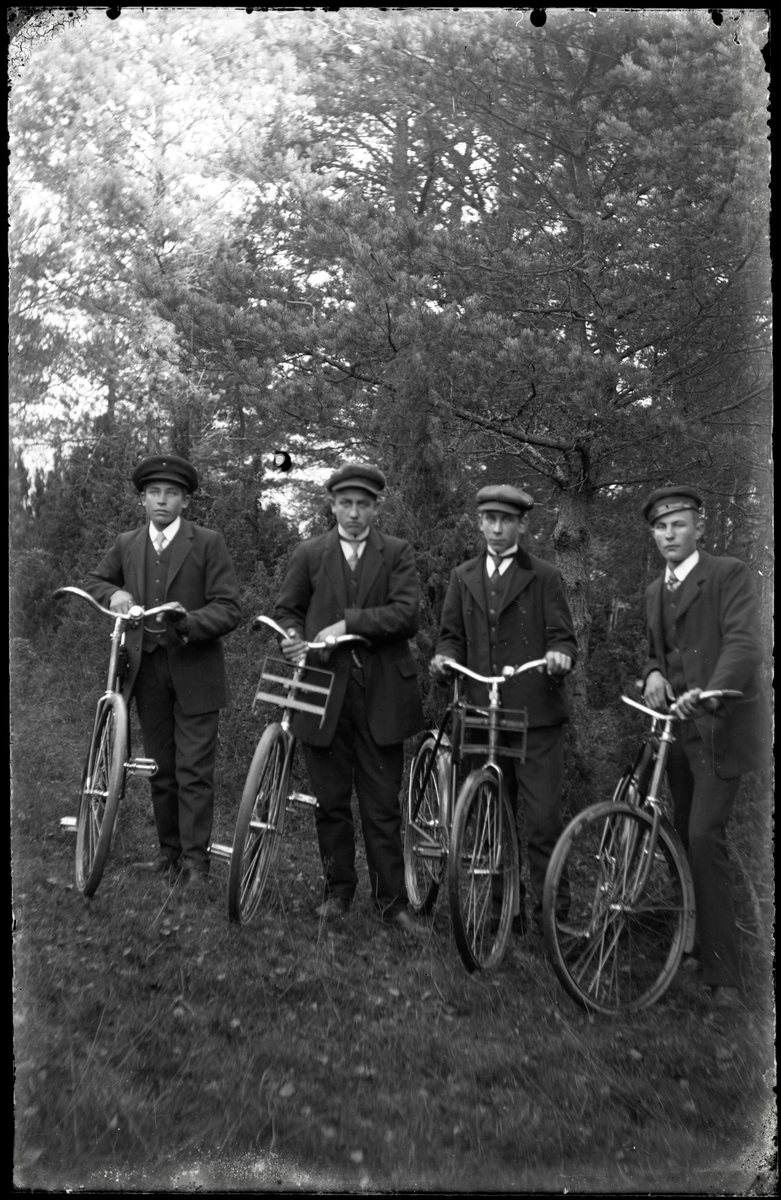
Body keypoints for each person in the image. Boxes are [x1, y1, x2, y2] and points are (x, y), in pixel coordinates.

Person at [273, 463, 425, 934]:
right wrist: (291, 637)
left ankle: (392, 903)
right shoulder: (309, 553)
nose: (354, 513)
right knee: (330, 800)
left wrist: (348, 624)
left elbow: (407, 616)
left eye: (363, 504)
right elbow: (288, 609)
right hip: (321, 688)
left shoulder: (396, 553)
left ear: (376, 507)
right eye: (345, 504)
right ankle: (337, 891)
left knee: (382, 804)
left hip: (383, 693)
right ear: (332, 505)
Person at [83, 454, 241, 892]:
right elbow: (95, 580)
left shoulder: (207, 542)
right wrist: (114, 593)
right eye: (154, 493)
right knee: (160, 767)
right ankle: (169, 854)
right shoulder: (127, 543)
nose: (162, 501)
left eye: (172, 494)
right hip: (146, 669)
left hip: (196, 671)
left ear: (185, 501)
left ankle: (197, 863)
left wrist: (191, 621)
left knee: (194, 769)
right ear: (142, 499)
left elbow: (230, 607)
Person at [641, 486, 768, 1009]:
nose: (669, 534)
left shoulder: (728, 574)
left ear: (700, 527)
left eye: (679, 524)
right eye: (661, 527)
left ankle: (725, 975)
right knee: (681, 837)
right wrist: (652, 672)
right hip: (678, 733)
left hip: (720, 728)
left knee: (702, 836)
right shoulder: (655, 590)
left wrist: (712, 689)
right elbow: (654, 650)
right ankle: (692, 940)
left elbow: (744, 641)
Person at [430, 485, 577, 937]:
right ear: (479, 523)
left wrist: (559, 655)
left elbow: (564, 637)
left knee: (543, 820)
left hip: (536, 717)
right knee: (492, 814)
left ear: (522, 525)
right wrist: (444, 658)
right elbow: (451, 636)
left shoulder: (544, 576)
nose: (497, 528)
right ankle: (503, 909)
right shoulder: (462, 576)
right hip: (483, 713)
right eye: (490, 520)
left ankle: (554, 919)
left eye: (507, 520)